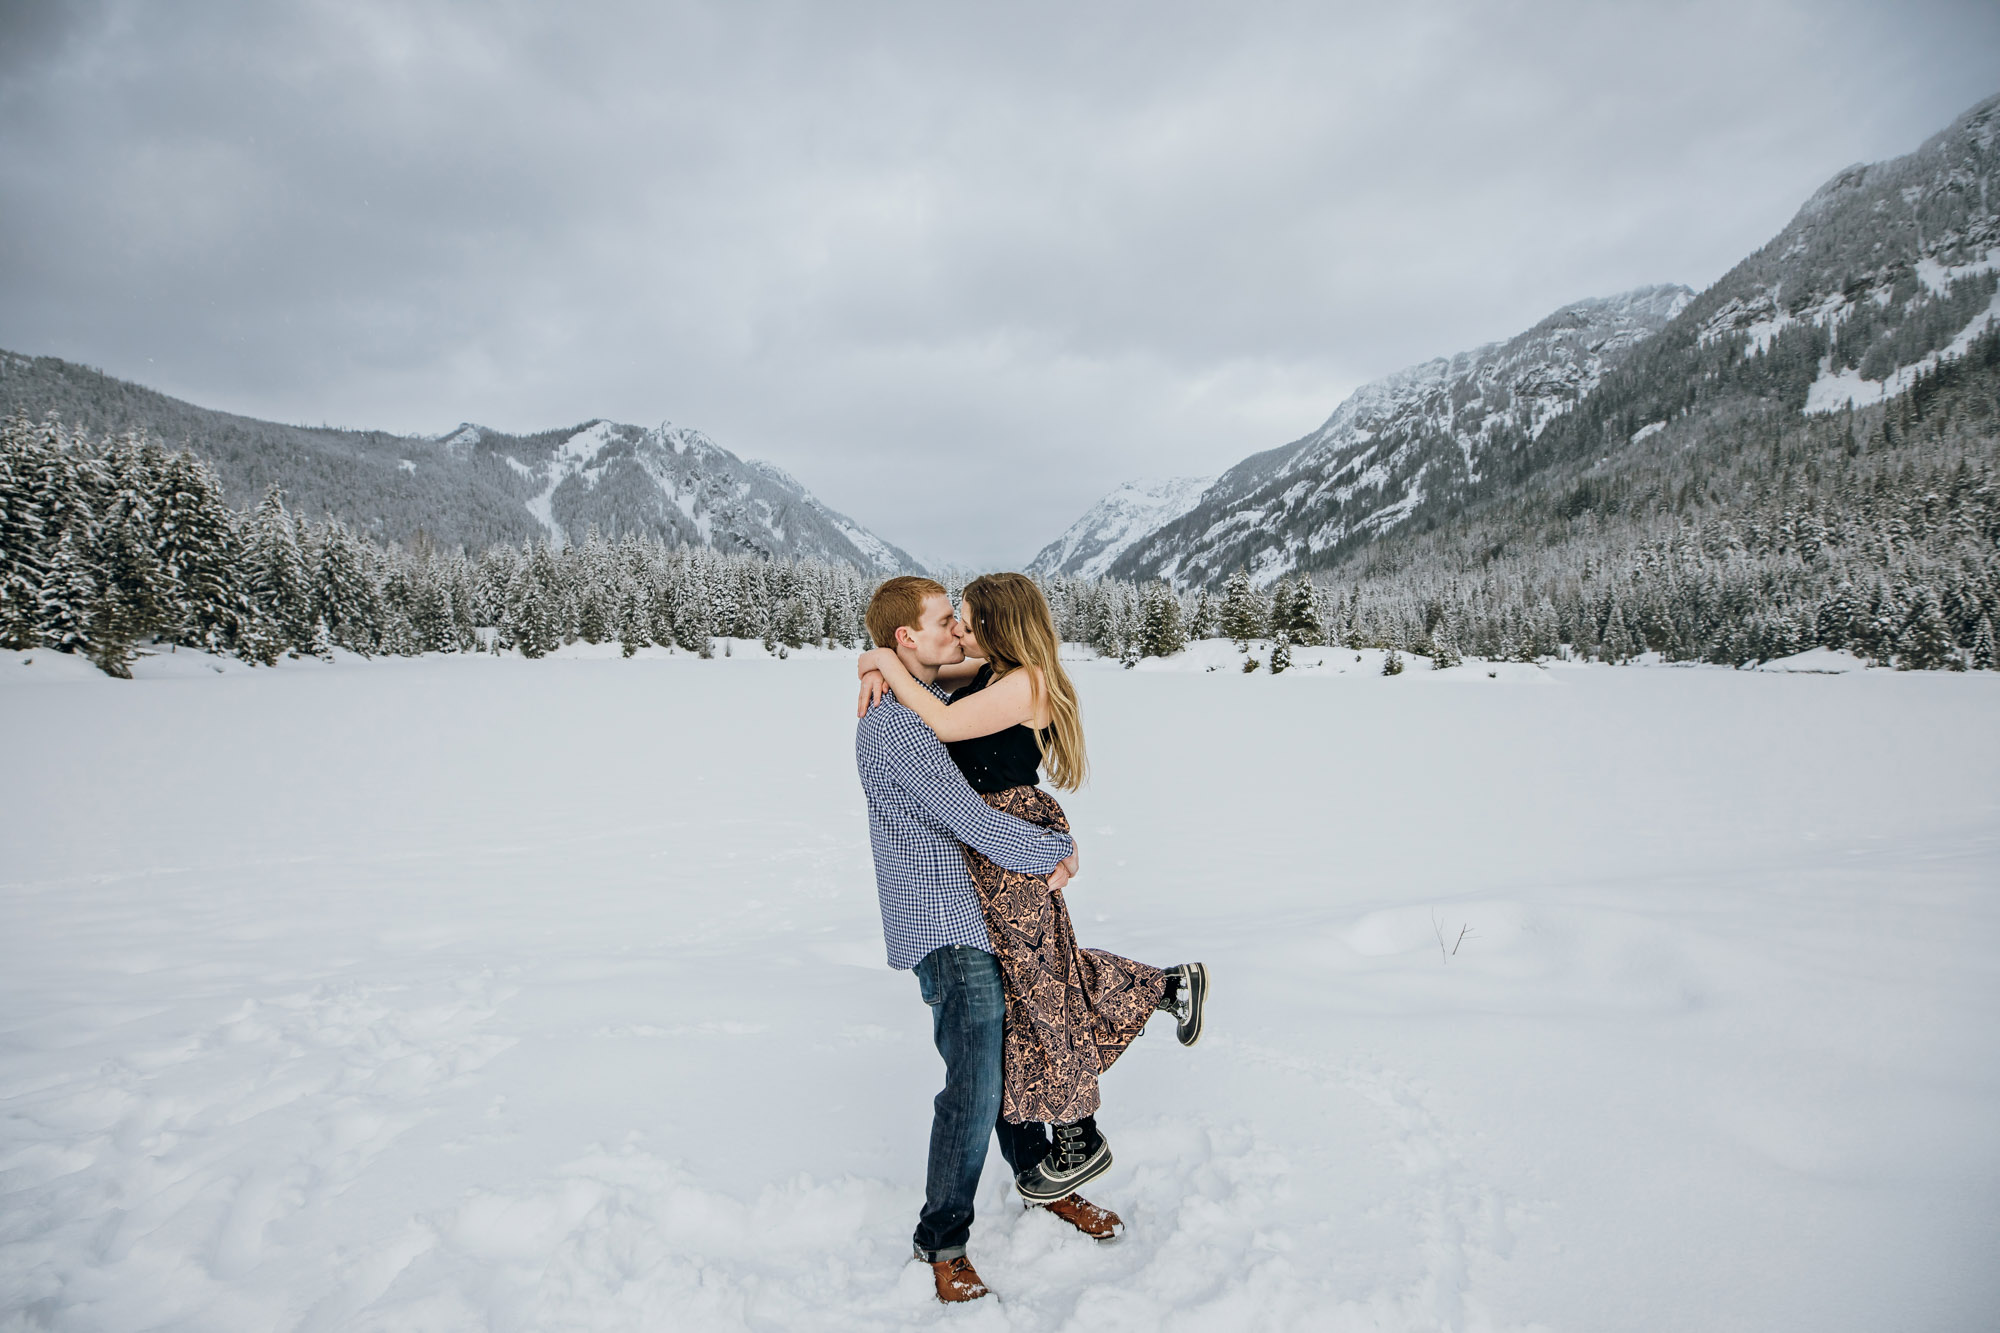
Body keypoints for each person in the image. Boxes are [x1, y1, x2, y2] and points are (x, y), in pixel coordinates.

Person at [856, 574, 1209, 1293]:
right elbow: (975, 821)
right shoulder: (898, 722)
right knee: (977, 1084)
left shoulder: (945, 694)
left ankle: (1046, 1180)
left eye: (965, 620)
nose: (957, 630)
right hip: (946, 918)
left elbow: (967, 747)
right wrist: (1056, 850)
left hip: (974, 904)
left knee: (1020, 1038)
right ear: (907, 639)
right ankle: (943, 1242)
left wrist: (876, 663)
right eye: (945, 621)